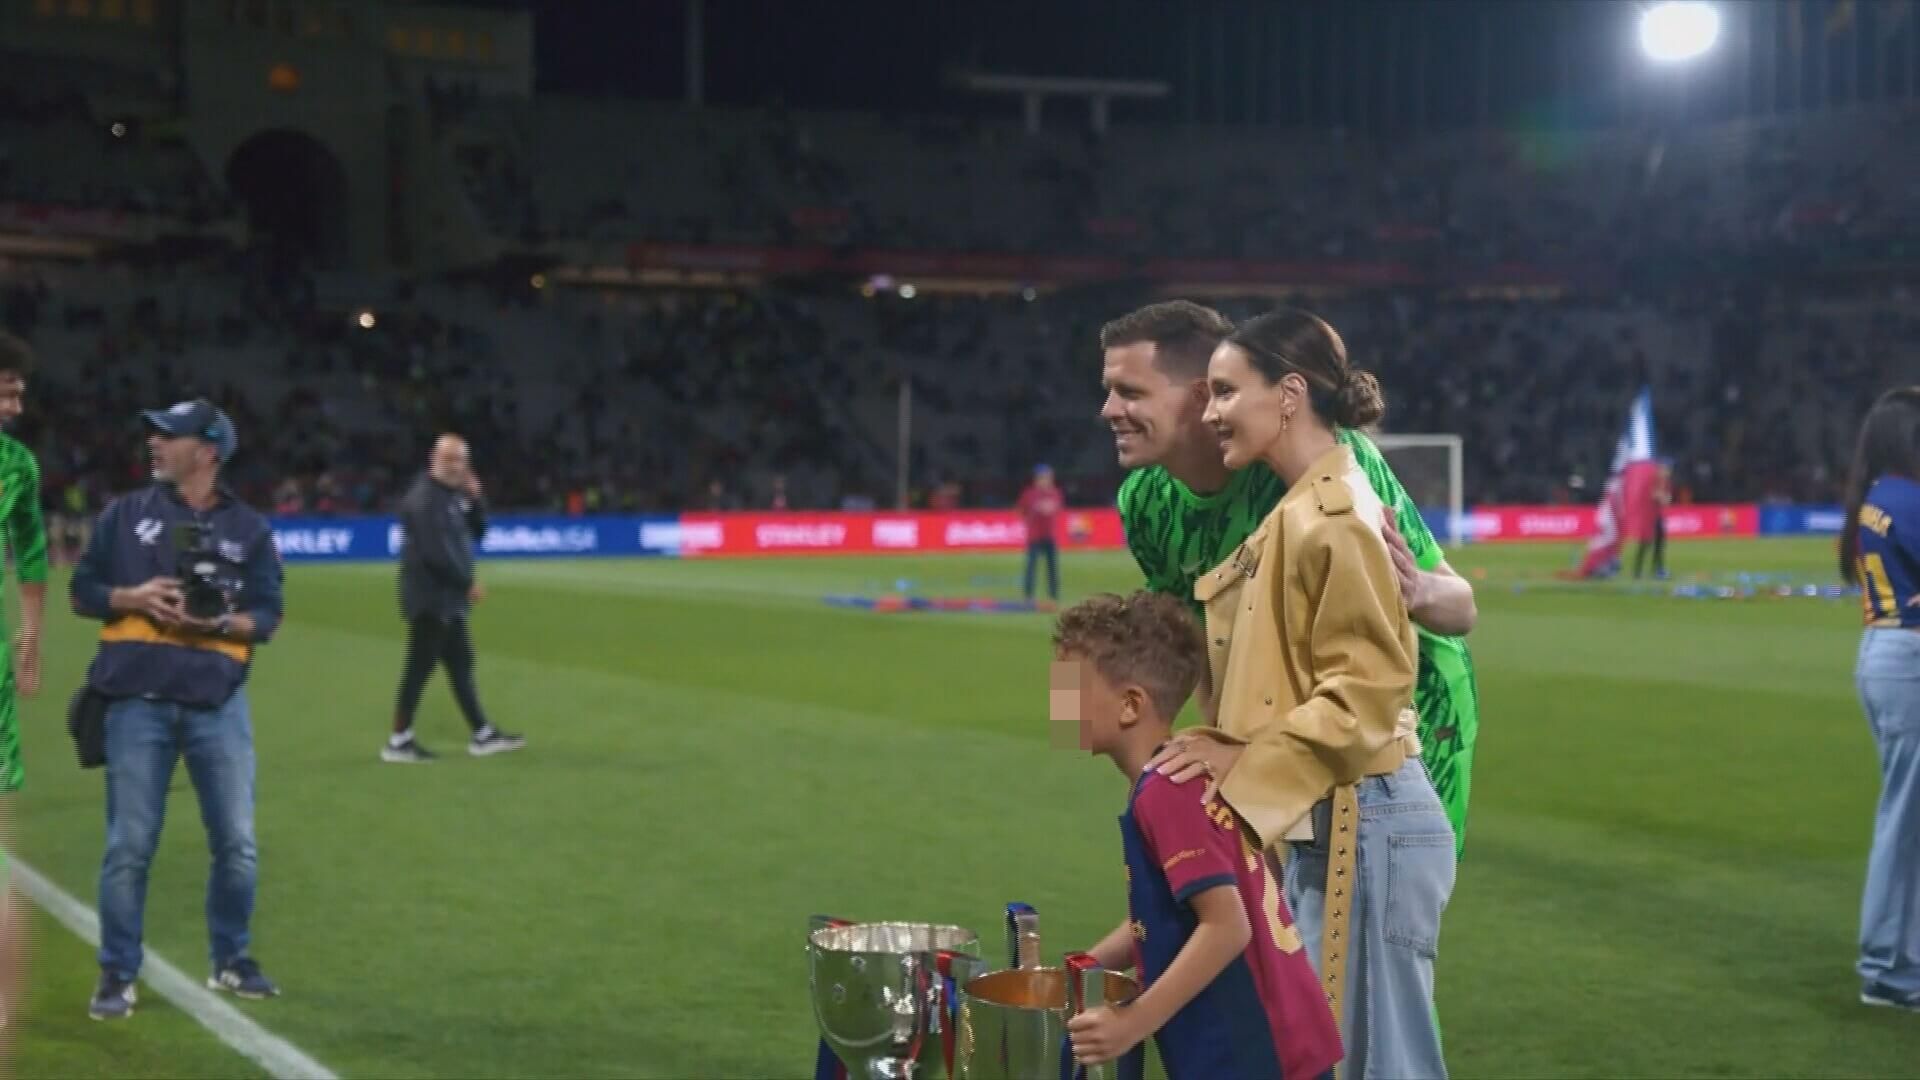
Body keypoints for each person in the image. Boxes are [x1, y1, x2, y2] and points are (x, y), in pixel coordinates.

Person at [1151, 310, 1454, 1078]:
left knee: (1380, 1067)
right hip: (1341, 815)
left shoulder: (1334, 514)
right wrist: (1229, 745)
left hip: (1365, 816)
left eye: (1225, 390)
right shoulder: (1302, 508)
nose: (1210, 410)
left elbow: (1367, 692)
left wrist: (1243, 779)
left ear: (1288, 394)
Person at [1099, 301, 1484, 858]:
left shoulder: (1324, 469)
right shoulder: (1145, 501)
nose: (1109, 410)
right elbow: (1204, 643)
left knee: (1368, 917)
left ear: (1202, 396)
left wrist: (1415, 588)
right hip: (1299, 729)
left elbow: (1461, 608)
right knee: (1290, 925)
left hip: (1408, 729)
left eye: (1129, 392)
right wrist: (1212, 746)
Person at [1052, 591, 1342, 1079]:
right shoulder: (1180, 777)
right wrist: (1086, 967)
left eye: (1070, 688)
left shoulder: (1165, 793)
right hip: (1277, 1039)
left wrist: (1132, 1023)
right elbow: (1177, 907)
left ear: (1129, 705)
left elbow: (1227, 926)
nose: (1057, 702)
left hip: (1254, 1049)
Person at [69, 399, 285, 1019]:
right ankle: (116, 972)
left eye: (168, 434)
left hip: (217, 706)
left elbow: (268, 616)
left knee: (238, 846)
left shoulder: (249, 530)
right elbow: (81, 592)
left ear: (207, 451)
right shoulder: (124, 515)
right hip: (136, 705)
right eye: (153, 433)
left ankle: (231, 960)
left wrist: (215, 620)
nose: (153, 443)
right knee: (129, 846)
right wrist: (130, 595)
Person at [1838, 386, 1920, 1012]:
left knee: (1906, 814)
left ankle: (1897, 961)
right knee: (1905, 818)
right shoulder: (1906, 498)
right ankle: (1889, 967)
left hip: (1886, 654)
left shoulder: (1876, 498)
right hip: (1908, 658)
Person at [383, 434, 524, 763]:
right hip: (430, 598)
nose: (455, 466)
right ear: (434, 458)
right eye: (449, 459)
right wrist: (466, 584)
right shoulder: (424, 499)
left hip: (446, 599)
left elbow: (479, 532)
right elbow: (435, 554)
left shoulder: (453, 496)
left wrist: (476, 498)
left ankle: (482, 734)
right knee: (419, 668)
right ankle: (398, 741)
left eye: (460, 460)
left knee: (460, 664)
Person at [0, 333, 47, 798]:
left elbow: (31, 554)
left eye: (20, 395)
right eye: (7, 392)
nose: (15, 407)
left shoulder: (16, 465)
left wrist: (32, 636)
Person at [1017, 464, 1063, 608]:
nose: (1046, 481)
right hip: (1035, 536)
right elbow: (1022, 509)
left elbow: (1054, 507)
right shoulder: (1030, 493)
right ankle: (1028, 595)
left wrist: (1044, 508)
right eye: (1043, 478)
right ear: (1037, 479)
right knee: (1031, 567)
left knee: (1052, 566)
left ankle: (1053, 595)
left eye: (1048, 478)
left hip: (1049, 535)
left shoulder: (1055, 492)